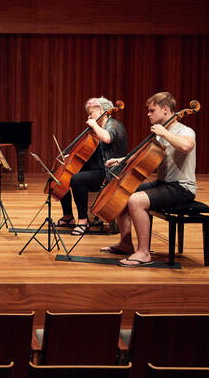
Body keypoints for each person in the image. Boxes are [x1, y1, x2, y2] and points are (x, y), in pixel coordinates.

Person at [102, 92, 197, 267]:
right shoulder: (161, 133)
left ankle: (144, 253)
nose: (148, 114)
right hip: (164, 184)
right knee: (123, 192)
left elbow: (186, 146)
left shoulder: (184, 131)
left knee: (136, 201)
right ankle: (125, 243)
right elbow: (142, 155)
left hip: (182, 188)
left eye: (152, 110)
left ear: (166, 109)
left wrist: (164, 133)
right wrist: (121, 160)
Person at [56, 97, 127, 235]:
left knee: (77, 179)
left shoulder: (114, 125)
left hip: (110, 172)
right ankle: (68, 216)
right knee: (65, 173)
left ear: (102, 110)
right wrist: (70, 159)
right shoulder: (99, 128)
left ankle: (83, 221)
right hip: (98, 168)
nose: (89, 117)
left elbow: (107, 138)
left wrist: (94, 125)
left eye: (91, 113)